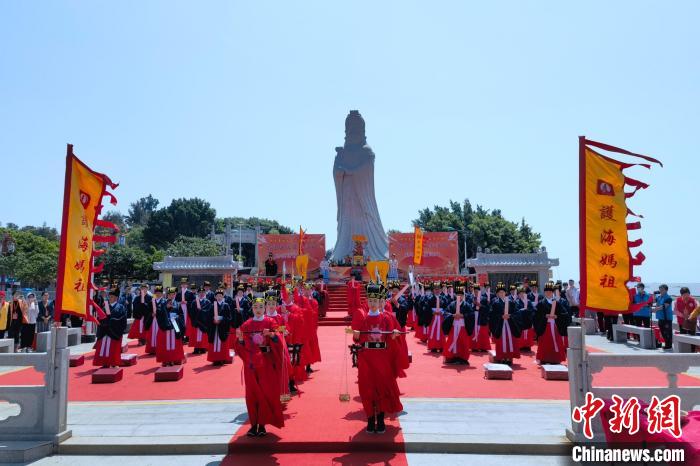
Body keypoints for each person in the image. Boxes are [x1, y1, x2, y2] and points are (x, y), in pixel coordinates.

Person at [353, 283, 403, 434]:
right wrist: (356, 335)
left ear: (380, 301)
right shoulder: (362, 318)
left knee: (382, 388)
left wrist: (394, 335)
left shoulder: (386, 318)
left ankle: (380, 418)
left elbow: (392, 339)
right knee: (367, 388)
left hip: (382, 359)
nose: (373, 304)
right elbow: (358, 340)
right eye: (370, 301)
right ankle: (370, 418)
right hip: (366, 359)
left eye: (375, 301)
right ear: (367, 302)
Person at [234, 294, 285, 437]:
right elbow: (239, 346)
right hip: (251, 364)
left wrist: (272, 335)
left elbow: (279, 339)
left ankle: (262, 424)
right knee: (252, 394)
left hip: (266, 364)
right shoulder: (247, 325)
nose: (258, 309)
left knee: (265, 393)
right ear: (251, 308)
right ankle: (253, 424)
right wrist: (240, 340)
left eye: (261, 307)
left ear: (265, 308)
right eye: (255, 307)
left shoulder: (270, 322)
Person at [534, 282, 571, 364]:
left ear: (552, 292)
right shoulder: (541, 303)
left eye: (550, 292)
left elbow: (565, 314)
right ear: (544, 292)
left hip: (555, 326)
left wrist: (556, 316)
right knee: (544, 343)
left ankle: (556, 358)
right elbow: (536, 315)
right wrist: (545, 316)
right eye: (546, 292)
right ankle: (544, 358)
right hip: (545, 326)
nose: (548, 293)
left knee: (556, 342)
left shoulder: (557, 303)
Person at [489, 282, 521, 365]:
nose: (501, 294)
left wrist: (510, 315)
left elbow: (516, 312)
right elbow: (492, 314)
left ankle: (509, 358)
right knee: (501, 341)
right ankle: (502, 357)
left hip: (510, 324)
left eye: (503, 292)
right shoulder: (495, 303)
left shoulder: (511, 302)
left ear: (505, 293)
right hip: (500, 325)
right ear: (497, 294)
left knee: (510, 340)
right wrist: (501, 316)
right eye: (499, 292)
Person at [93, 288, 127, 367]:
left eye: (112, 297)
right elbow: (100, 317)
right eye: (110, 296)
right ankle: (104, 363)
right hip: (105, 330)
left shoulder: (121, 307)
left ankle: (114, 363)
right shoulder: (105, 306)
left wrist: (112, 320)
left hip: (115, 331)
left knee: (113, 348)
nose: (110, 298)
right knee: (104, 347)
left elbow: (122, 319)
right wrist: (104, 321)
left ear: (116, 298)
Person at [442, 284, 473, 365]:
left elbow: (471, 315)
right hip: (454, 325)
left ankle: (463, 357)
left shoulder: (467, 305)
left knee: (463, 342)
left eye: (461, 295)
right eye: (458, 294)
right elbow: (445, 313)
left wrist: (463, 315)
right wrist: (452, 315)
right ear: (456, 295)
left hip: (463, 326)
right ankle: (451, 357)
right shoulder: (452, 304)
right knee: (452, 341)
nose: (459, 296)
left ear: (463, 295)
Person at [155, 287, 185, 367]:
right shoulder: (162, 303)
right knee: (165, 343)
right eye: (170, 294)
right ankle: (166, 360)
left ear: (175, 294)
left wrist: (177, 317)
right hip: (165, 324)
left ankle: (175, 359)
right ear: (167, 295)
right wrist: (165, 308)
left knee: (176, 342)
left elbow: (181, 315)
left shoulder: (178, 304)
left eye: (173, 294)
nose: (171, 296)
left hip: (175, 324)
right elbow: (158, 313)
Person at [207, 289, 235, 365]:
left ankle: (222, 358)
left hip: (222, 327)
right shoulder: (213, 305)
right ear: (215, 297)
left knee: (222, 343)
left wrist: (222, 319)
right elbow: (209, 316)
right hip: (214, 328)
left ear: (223, 296)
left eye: (220, 296)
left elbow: (229, 318)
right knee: (214, 342)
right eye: (217, 296)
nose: (219, 297)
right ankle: (214, 359)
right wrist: (213, 319)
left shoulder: (226, 305)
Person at [424, 282, 447, 352]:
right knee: (433, 331)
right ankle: (433, 346)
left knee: (441, 331)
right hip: (433, 317)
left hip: (441, 317)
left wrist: (442, 312)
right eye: (435, 289)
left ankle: (441, 346)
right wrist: (432, 312)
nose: (437, 290)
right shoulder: (429, 298)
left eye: (438, 289)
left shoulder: (444, 298)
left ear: (440, 290)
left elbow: (447, 307)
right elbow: (426, 307)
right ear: (433, 290)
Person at [190, 287, 211, 355]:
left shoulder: (207, 302)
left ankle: (203, 347)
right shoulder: (194, 302)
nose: (201, 294)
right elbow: (191, 312)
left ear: (205, 293)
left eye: (203, 292)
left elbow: (208, 311)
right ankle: (196, 347)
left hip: (204, 321)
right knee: (195, 335)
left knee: (203, 335)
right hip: (196, 321)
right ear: (198, 293)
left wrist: (201, 311)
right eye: (200, 292)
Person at [471, 284, 492, 352]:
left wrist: (480, 305)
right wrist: (473, 305)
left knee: (482, 332)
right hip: (473, 316)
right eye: (475, 291)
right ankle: (474, 346)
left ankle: (483, 346)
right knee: (473, 331)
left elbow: (487, 309)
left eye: (477, 291)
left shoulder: (484, 298)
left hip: (481, 317)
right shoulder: (470, 298)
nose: (476, 292)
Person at [653, 284, 674, 350]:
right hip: (660, 317)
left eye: (662, 289)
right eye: (660, 289)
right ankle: (667, 345)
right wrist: (654, 294)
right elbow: (653, 301)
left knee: (667, 332)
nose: (661, 290)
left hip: (667, 318)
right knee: (662, 332)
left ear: (666, 290)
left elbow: (665, 306)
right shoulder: (659, 297)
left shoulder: (668, 298)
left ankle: (669, 346)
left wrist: (656, 309)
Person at [516, 286, 536, 351]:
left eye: (523, 293)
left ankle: (527, 346)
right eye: (520, 293)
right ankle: (520, 346)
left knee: (528, 334)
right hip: (520, 320)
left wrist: (528, 310)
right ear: (518, 295)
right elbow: (515, 311)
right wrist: (521, 310)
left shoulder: (529, 301)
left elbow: (533, 310)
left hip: (527, 320)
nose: (521, 295)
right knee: (521, 334)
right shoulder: (516, 302)